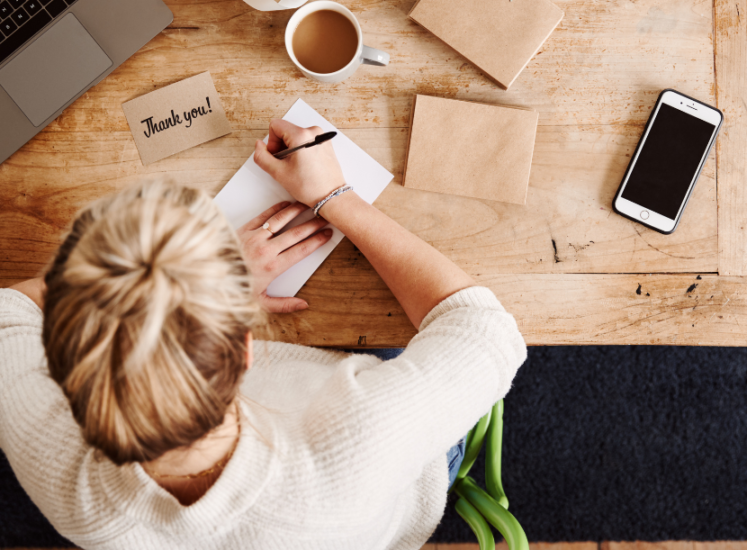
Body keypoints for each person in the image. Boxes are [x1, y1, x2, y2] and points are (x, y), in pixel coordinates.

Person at [0, 120, 527, 550]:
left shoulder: (65, 478)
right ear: (246, 350)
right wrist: (333, 195)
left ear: (65, 374)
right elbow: (486, 329)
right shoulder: (358, 438)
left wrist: (168, 287)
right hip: (391, 483)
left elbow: (8, 313)